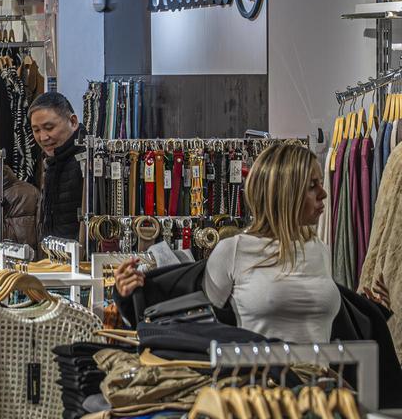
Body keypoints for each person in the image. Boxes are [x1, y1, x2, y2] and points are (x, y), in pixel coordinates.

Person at [114, 143, 392, 344]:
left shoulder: (318, 249)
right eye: (312, 186)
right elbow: (192, 315)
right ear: (286, 193)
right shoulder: (234, 250)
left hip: (316, 391)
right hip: (257, 391)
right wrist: (133, 291)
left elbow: (330, 319)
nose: (324, 194)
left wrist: (370, 311)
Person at [29, 92, 84, 240]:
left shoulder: (89, 162)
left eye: (49, 127)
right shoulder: (51, 160)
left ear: (73, 122)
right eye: (36, 130)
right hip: (56, 260)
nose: (43, 137)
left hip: (81, 259)